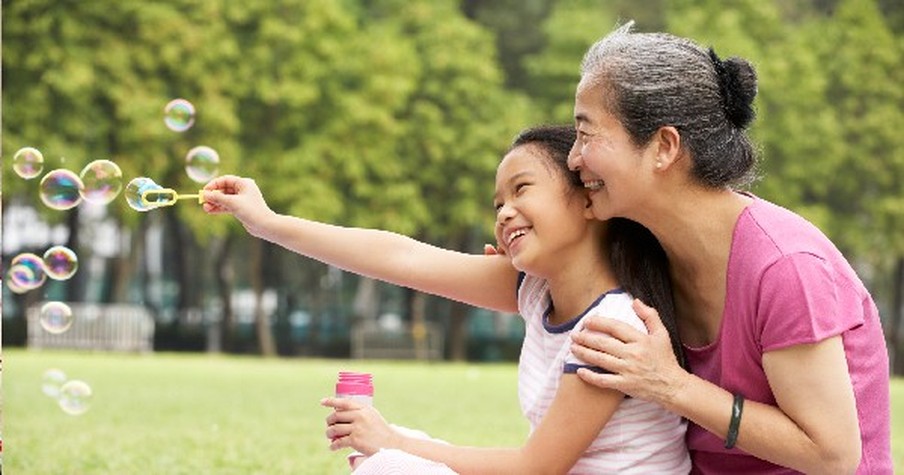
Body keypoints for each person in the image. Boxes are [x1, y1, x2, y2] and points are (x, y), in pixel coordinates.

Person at [201, 125, 691, 473]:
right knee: (389, 458)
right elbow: (400, 258)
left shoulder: (612, 326)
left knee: (392, 460)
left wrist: (393, 442)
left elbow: (534, 468)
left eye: (522, 190)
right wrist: (266, 222)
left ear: (589, 200)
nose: (505, 212)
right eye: (499, 204)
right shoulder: (536, 290)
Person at [565, 22, 892, 474]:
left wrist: (672, 386)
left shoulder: (786, 268)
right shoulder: (639, 243)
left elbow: (833, 455)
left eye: (586, 134)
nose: (573, 158)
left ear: (663, 146)